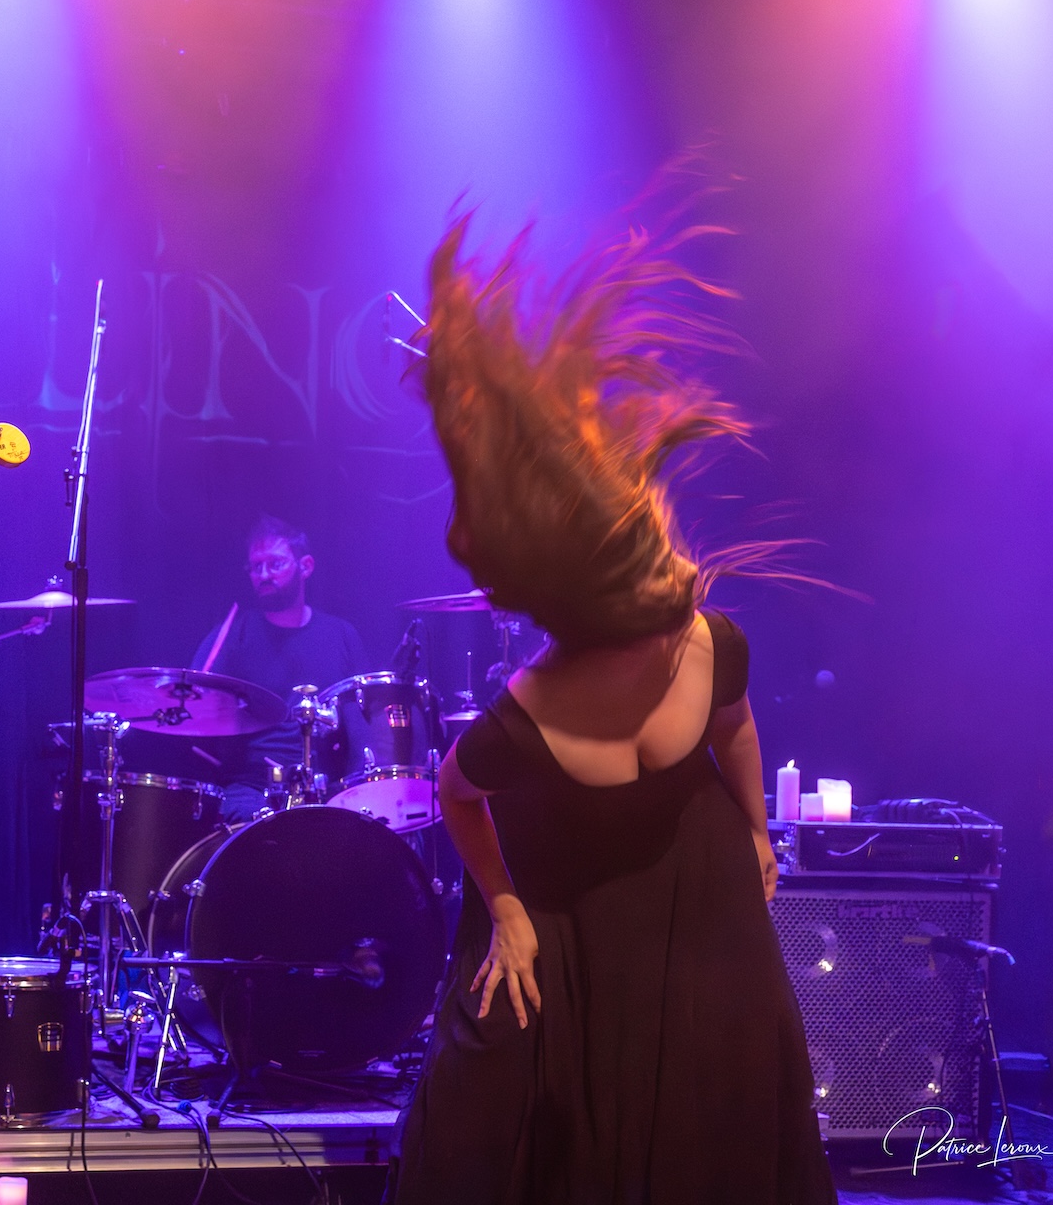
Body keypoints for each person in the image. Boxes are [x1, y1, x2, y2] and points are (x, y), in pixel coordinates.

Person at [387, 217, 835, 1203]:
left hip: (697, 881)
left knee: (723, 1082)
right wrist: (505, 908)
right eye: (662, 590)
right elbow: (455, 794)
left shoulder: (714, 641)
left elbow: (736, 727)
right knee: (501, 1087)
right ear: (607, 617)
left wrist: (757, 827)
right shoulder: (530, 708)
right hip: (563, 891)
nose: (686, 589)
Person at [191, 516, 370, 820]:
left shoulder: (341, 635)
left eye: (275, 564)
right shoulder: (235, 633)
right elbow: (193, 698)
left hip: (329, 786)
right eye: (256, 567)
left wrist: (360, 789)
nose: (263, 575)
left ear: (305, 566)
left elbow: (362, 726)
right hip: (251, 787)